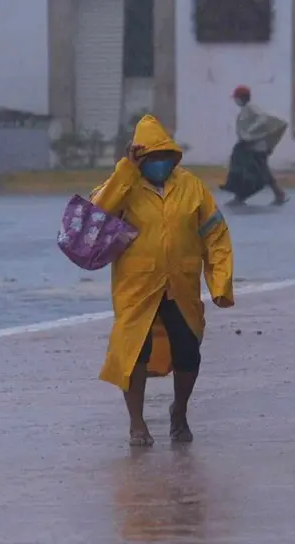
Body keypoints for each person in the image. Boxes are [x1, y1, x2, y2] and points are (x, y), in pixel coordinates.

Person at [90, 114, 234, 447]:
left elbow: (215, 233)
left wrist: (221, 281)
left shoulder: (191, 186)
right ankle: (136, 423)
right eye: (150, 158)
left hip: (180, 286)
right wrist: (125, 171)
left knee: (188, 353)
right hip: (137, 287)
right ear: (138, 157)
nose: (159, 164)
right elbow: (97, 214)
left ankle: (179, 411)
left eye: (163, 157)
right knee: (133, 355)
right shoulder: (124, 184)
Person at [223, 85, 289, 206]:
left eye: (236, 98)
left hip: (257, 147)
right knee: (259, 170)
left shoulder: (251, 108)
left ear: (241, 98)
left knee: (253, 170)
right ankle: (278, 194)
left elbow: (262, 119)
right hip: (254, 147)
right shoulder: (246, 110)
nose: (235, 101)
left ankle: (240, 197)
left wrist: (250, 133)